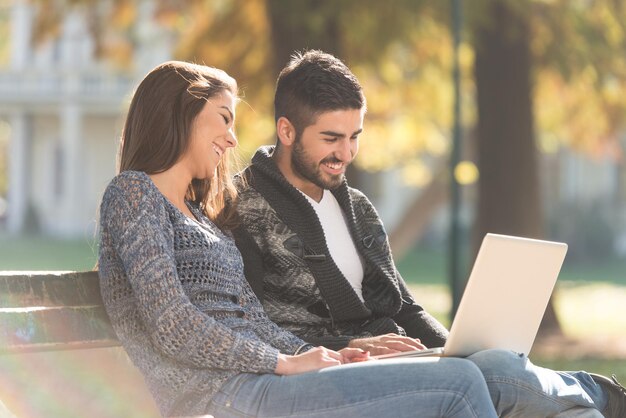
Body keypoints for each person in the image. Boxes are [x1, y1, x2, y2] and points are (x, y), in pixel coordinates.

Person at [97, 60, 504, 418]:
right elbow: (173, 325)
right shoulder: (133, 194)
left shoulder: (203, 214)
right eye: (224, 118)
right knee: (458, 385)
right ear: (181, 115)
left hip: (258, 383)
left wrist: (320, 356)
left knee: (473, 376)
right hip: (216, 396)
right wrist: (281, 362)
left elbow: (251, 319)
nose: (233, 138)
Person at [233, 49, 626, 417]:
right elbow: (246, 325)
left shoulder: (356, 207)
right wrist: (348, 346)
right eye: (331, 138)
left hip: (396, 356)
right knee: (497, 376)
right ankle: (605, 394)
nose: (347, 154)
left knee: (512, 373)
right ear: (286, 131)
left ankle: (595, 401)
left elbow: (404, 307)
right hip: (330, 373)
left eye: (355, 137)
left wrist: (454, 349)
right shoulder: (240, 208)